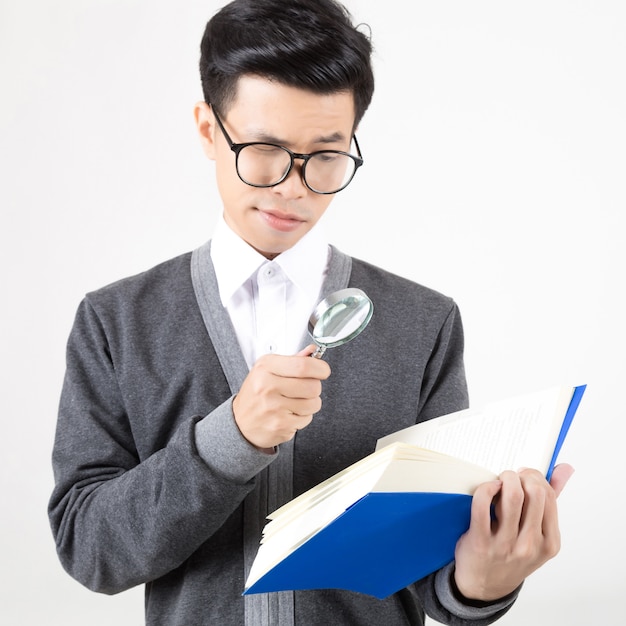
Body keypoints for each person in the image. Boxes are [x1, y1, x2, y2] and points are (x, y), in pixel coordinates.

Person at [48, 1, 574, 624]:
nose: (293, 186)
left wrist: (483, 581)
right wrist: (231, 439)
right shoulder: (117, 322)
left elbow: (436, 577)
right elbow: (90, 551)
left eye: (326, 154)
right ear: (208, 130)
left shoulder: (423, 322)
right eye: (264, 149)